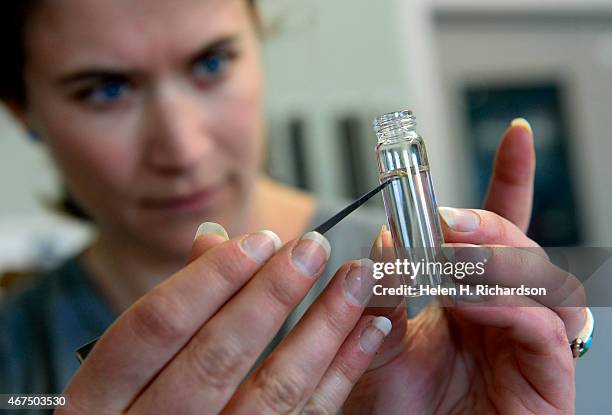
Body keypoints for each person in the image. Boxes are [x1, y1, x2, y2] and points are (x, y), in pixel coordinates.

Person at [0, 0, 588, 413]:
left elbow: (589, 339)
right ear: (22, 110)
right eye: (106, 90)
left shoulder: (434, 277)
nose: (183, 149)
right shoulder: (15, 364)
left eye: (211, 63)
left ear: (258, 41)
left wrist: (581, 349)